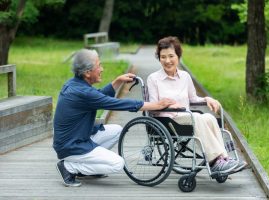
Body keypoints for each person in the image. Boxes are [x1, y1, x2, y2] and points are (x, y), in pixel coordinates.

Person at [53, 49, 175, 187]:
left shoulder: (75, 84)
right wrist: (155, 105)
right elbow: (116, 103)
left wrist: (117, 82)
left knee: (117, 130)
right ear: (87, 73)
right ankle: (69, 167)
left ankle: (83, 165)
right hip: (72, 146)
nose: (102, 69)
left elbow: (98, 97)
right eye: (99, 66)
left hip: (76, 138)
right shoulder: (82, 92)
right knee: (118, 163)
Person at [147, 36, 247, 174]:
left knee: (209, 118)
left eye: (171, 56)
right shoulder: (153, 79)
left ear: (178, 56)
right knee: (199, 118)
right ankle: (215, 161)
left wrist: (207, 99)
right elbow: (152, 106)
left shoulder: (185, 76)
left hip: (186, 117)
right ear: (159, 58)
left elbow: (193, 98)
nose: (167, 61)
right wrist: (166, 105)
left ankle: (223, 159)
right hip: (167, 120)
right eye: (163, 57)